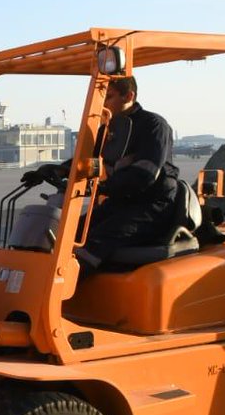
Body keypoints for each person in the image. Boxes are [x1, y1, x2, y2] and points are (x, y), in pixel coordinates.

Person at [26, 76, 182, 271]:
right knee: (68, 234)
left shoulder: (153, 125)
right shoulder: (108, 129)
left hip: (150, 205)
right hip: (120, 202)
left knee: (92, 245)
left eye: (108, 97)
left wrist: (101, 187)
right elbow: (87, 161)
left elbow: (145, 174)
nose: (102, 105)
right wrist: (54, 170)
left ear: (129, 96)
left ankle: (63, 294)